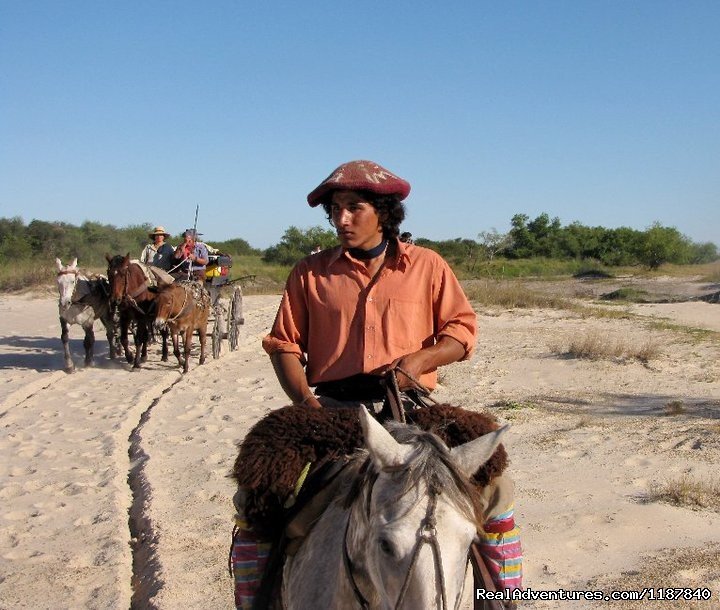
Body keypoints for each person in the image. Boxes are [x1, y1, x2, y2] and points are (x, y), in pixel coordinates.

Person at [231, 160, 522, 608]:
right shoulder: (310, 273)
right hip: (334, 412)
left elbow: (462, 331)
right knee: (259, 488)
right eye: (335, 210)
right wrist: (307, 404)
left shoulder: (427, 266)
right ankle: (254, 599)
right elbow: (285, 345)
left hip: (411, 405)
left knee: (495, 485)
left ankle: (505, 598)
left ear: (383, 212)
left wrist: (423, 358)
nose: (341, 220)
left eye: (354, 208)